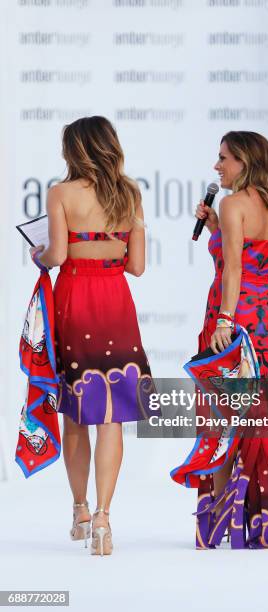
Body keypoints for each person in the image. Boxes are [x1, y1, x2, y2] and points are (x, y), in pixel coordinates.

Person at [29, 116, 153, 556]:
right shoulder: (130, 193)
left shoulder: (61, 193)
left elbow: (57, 254)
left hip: (75, 298)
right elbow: (137, 267)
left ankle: (80, 510)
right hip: (116, 302)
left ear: (76, 151)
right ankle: (104, 517)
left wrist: (36, 254)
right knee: (112, 415)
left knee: (76, 412)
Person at [171, 131, 268, 549]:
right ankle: (264, 520)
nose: (217, 166)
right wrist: (214, 227)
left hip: (235, 317)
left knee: (221, 416)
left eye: (223, 157)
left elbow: (232, 271)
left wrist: (224, 320)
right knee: (261, 418)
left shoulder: (231, 204)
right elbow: (251, 260)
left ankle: (217, 516)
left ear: (244, 161)